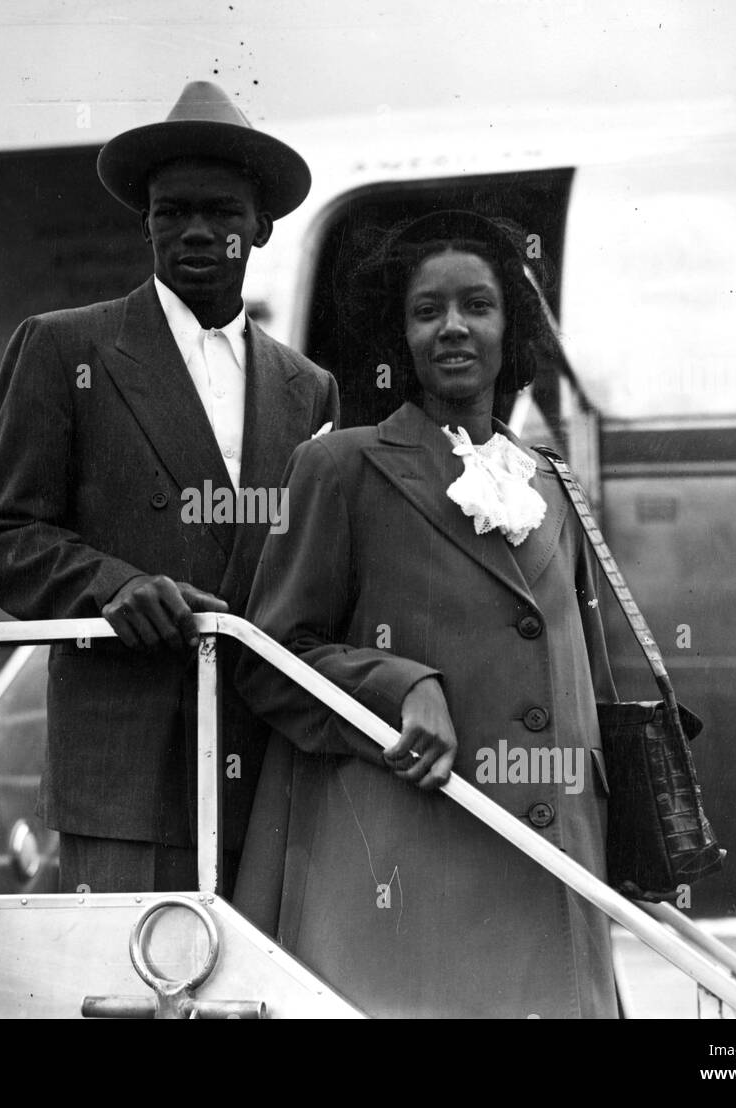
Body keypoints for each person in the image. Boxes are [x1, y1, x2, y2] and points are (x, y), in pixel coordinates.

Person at [233, 210, 619, 1018]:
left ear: (508, 326)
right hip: (409, 883)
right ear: (397, 333)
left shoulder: (551, 485)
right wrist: (397, 683)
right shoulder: (340, 466)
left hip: (550, 874)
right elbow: (268, 656)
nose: (453, 327)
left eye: (477, 305)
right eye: (426, 310)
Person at [0, 81, 339, 897]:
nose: (197, 232)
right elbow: (2, 539)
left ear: (262, 228)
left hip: (267, 765)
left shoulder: (307, 387)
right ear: (146, 224)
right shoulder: (65, 347)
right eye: (171, 212)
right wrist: (118, 587)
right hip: (126, 770)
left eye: (222, 213)